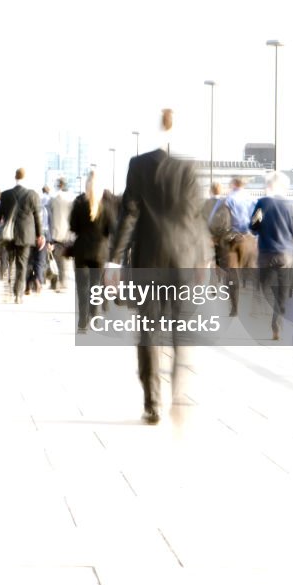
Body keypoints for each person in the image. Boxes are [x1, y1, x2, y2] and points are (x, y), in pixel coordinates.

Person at [108, 108, 209, 424]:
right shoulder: (189, 168)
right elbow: (196, 218)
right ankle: (178, 391)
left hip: (148, 259)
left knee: (149, 331)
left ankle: (152, 403)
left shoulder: (138, 165)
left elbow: (129, 214)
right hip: (182, 259)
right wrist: (203, 259)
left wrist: (114, 259)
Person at [249, 171, 293, 341]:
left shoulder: (262, 203)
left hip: (266, 252)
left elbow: (253, 226)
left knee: (265, 286)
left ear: (269, 185)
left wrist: (261, 228)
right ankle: (277, 321)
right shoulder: (291, 204)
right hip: (286, 253)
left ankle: (265, 312)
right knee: (283, 291)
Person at [69, 170, 115, 330]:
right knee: (96, 285)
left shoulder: (79, 203)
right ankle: (94, 315)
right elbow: (111, 229)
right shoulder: (106, 206)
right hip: (100, 251)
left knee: (82, 286)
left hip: (81, 250)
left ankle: (82, 321)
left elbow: (73, 227)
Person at [0, 168, 44, 304]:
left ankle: (9, 284)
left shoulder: (6, 195)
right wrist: (40, 235)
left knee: (10, 261)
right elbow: (37, 217)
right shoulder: (32, 195)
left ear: (15, 178)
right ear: (26, 179)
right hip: (26, 235)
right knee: (22, 264)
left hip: (9, 235)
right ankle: (18, 294)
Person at [218, 177, 257, 316]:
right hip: (249, 239)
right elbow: (258, 219)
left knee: (232, 274)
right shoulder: (252, 199)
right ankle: (257, 305)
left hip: (233, 240)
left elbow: (218, 220)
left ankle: (234, 308)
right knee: (253, 271)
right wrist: (254, 235)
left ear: (233, 185)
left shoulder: (228, 200)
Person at [49, 178, 73, 291]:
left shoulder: (53, 199)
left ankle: (54, 282)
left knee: (54, 258)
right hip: (67, 233)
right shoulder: (71, 199)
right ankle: (63, 281)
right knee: (64, 259)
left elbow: (49, 216)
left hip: (55, 232)